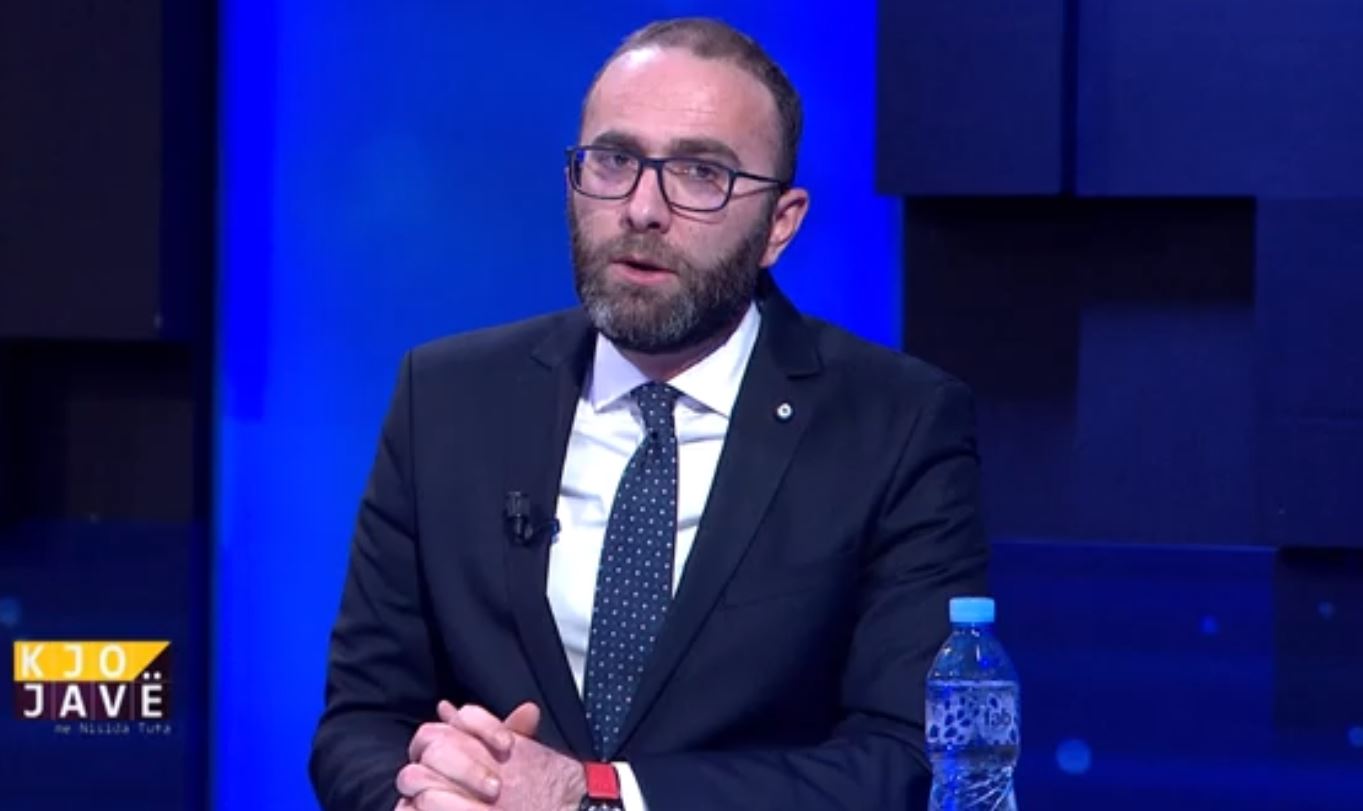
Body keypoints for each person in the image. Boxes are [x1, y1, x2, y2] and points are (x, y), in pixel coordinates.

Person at [310, 17, 988, 811]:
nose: (641, 209)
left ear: (779, 225)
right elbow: (362, 719)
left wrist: (596, 794)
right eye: (613, 160)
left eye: (700, 174)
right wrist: (422, 797)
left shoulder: (896, 424)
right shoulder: (447, 397)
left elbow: (907, 757)